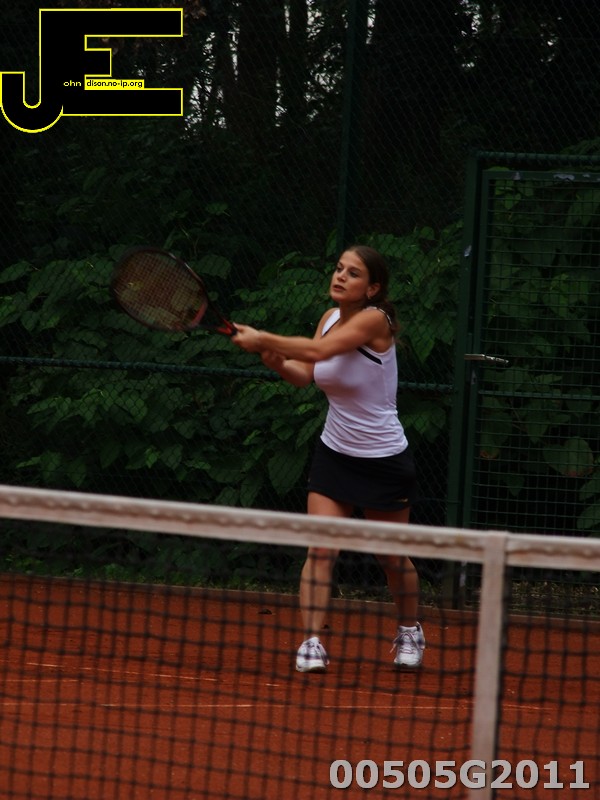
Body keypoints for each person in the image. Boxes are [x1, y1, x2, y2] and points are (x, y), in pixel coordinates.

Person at [231, 245, 424, 672]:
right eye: (339, 268)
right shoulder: (329, 318)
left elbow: (318, 353)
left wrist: (263, 338)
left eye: (353, 273)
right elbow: (305, 374)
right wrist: (275, 361)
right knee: (320, 550)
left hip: (383, 458)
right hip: (334, 452)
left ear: (372, 288)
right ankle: (312, 640)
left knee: (391, 558)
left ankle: (410, 629)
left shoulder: (375, 320)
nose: (340, 276)